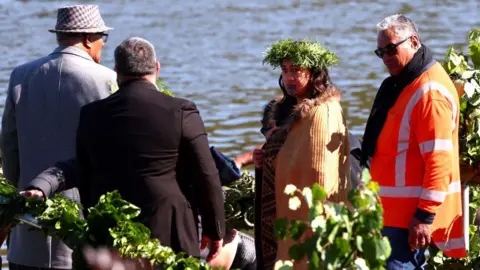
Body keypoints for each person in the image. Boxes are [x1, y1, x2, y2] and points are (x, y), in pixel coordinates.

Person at [25, 37, 226, 262]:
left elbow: (84, 172)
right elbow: (206, 173)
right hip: (170, 232)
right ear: (157, 67)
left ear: (117, 70)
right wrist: (215, 228)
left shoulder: (92, 114)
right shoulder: (181, 110)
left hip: (112, 233)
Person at [0, 5, 115, 270]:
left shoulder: (21, 75)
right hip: (83, 231)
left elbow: (9, 145)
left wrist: (16, 202)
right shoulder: (107, 79)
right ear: (87, 38)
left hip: (29, 231)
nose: (102, 46)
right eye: (102, 39)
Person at [361, 14, 466, 269]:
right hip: (390, 215)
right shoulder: (406, 83)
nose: (385, 57)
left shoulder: (429, 92)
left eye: (391, 48)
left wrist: (424, 217)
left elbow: (439, 162)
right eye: (380, 51)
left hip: (406, 220)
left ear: (414, 41)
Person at [256, 38, 350, 269]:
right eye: (285, 70)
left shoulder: (322, 113)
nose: (289, 78)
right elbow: (290, 154)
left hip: (305, 218)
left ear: (315, 73)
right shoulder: (284, 111)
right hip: (278, 212)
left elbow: (321, 173)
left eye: (297, 71)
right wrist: (264, 158)